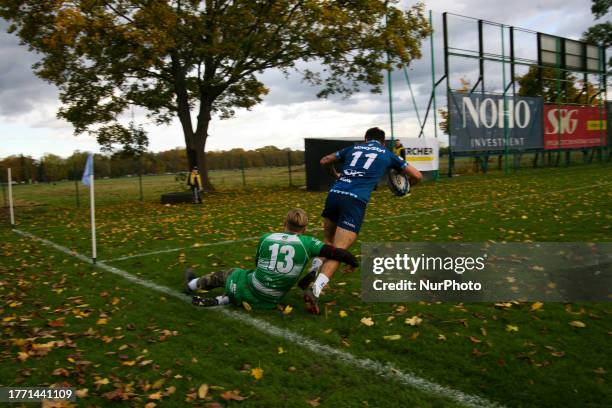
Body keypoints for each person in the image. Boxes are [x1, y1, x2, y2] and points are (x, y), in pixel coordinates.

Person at [302, 127, 423, 314]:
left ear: (366, 139)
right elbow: (417, 175)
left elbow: (324, 160)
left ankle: (314, 268)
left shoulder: (353, 148)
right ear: (383, 142)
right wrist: (405, 188)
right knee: (339, 250)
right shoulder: (387, 153)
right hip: (354, 200)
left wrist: (334, 175)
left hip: (335, 194)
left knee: (327, 241)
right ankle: (315, 290)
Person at [183, 208, 359, 310]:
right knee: (249, 283)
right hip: (275, 297)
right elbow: (337, 253)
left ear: (284, 223)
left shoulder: (266, 237)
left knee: (232, 273)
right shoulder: (308, 243)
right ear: (304, 228)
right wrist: (353, 262)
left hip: (258, 286)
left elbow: (258, 263)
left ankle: (192, 284)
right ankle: (223, 300)